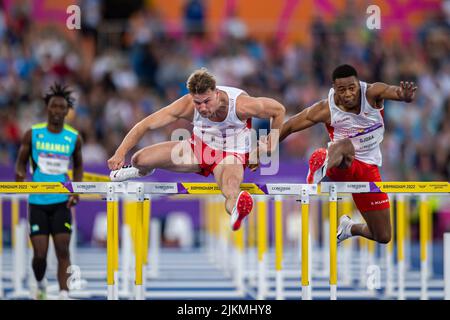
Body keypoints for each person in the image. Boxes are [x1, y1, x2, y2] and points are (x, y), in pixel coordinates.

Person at [108, 68, 285, 231]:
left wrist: (273, 140)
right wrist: (120, 152)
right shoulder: (187, 105)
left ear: (216, 93)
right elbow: (145, 124)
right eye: (197, 103)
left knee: (231, 189)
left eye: (207, 101)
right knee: (139, 159)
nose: (202, 108)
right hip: (198, 148)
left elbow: (278, 110)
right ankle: (141, 171)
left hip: (232, 154)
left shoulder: (241, 105)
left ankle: (238, 212)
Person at [278, 64, 417, 244]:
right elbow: (289, 126)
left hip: (368, 169)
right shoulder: (326, 109)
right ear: (334, 89)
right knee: (345, 145)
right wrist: (264, 148)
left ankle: (349, 227)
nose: (348, 94)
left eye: (352, 88)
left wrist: (404, 96)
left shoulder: (372, 93)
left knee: (383, 236)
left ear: (358, 85)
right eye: (341, 90)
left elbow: (393, 91)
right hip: (341, 164)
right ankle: (317, 173)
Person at [15, 83, 83, 300]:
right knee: (40, 255)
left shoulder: (73, 137)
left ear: (66, 111)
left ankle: (64, 293)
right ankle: (40, 283)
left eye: (61, 107)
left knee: (63, 249)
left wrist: (76, 191)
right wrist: (19, 178)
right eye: (53, 106)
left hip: (61, 201)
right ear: (48, 108)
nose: (57, 110)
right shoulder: (33, 134)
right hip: (37, 202)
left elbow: (79, 166)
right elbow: (21, 163)